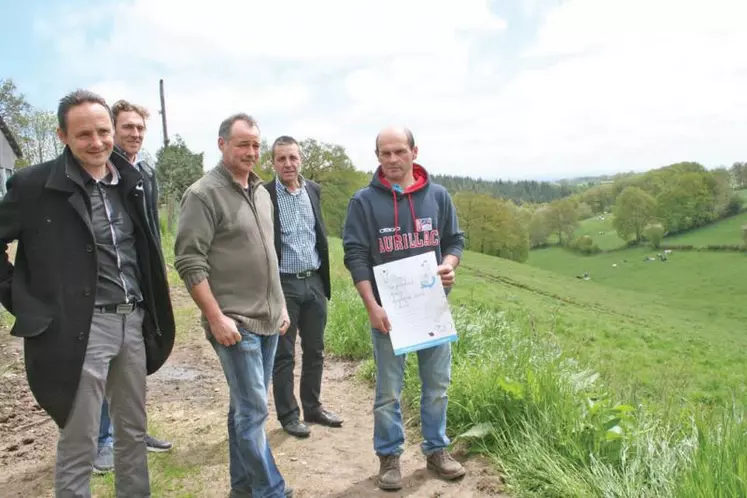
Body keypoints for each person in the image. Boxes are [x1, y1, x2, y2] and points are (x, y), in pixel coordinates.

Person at [0, 89, 175, 497]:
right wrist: (21, 299)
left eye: (103, 132)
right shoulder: (33, 185)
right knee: (80, 439)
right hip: (78, 328)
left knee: (132, 432)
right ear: (62, 136)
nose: (97, 143)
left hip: (132, 321)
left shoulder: (133, 182)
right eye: (83, 135)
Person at [174, 114, 293, 498]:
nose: (251, 152)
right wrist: (215, 317)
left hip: (270, 319)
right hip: (235, 324)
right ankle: (271, 490)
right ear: (222, 144)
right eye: (243, 144)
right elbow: (190, 262)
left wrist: (282, 305)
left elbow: (269, 255)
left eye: (256, 145)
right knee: (254, 412)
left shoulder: (261, 192)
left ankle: (241, 488)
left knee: (243, 409)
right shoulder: (203, 194)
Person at [342, 126, 466, 491]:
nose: (392, 159)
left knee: (437, 386)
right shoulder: (363, 202)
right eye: (385, 153)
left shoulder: (439, 196)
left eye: (399, 151)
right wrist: (371, 307)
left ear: (414, 151)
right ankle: (389, 455)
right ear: (377, 156)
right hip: (388, 314)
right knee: (388, 391)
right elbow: (356, 255)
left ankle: (437, 450)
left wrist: (448, 266)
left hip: (431, 310)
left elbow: (455, 241)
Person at [93, 99, 173, 474]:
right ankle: (102, 440)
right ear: (112, 128)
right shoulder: (102, 171)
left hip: (140, 282)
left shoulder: (146, 171)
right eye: (128, 127)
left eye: (140, 128)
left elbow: (150, 232)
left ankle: (133, 432)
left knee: (134, 364)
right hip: (108, 286)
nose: (135, 134)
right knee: (107, 366)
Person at [263, 136, 342, 439]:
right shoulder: (265, 194)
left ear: (301, 160)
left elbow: (318, 234)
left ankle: (313, 407)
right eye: (281, 159)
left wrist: (322, 279)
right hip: (283, 284)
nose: (288, 164)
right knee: (284, 353)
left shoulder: (313, 191)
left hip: (314, 281)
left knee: (316, 349)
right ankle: (289, 414)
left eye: (293, 158)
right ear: (273, 163)